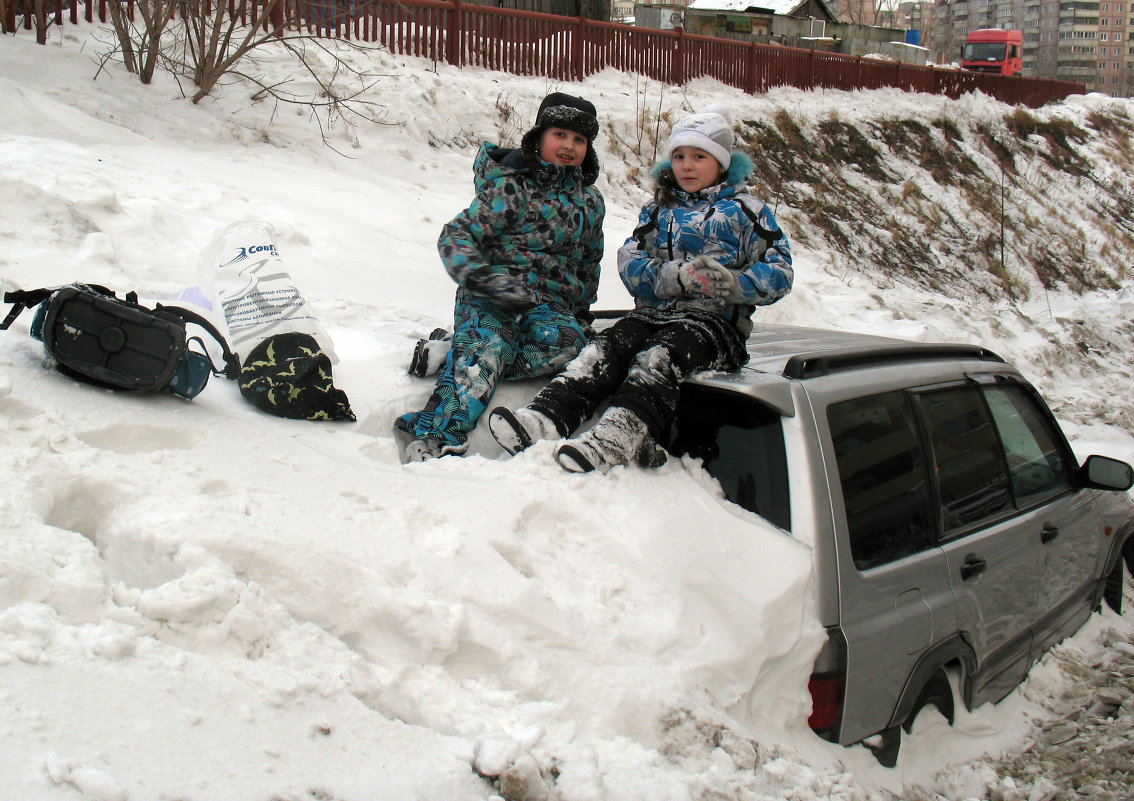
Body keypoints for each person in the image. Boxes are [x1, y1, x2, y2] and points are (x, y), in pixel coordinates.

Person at [487, 104, 793, 473]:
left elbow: (780, 272)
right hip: (651, 314)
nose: (687, 166)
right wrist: (676, 277)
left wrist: (734, 284)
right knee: (606, 348)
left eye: (700, 157)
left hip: (714, 325)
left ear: (723, 163)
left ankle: (616, 436)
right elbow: (630, 263)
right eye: (679, 156)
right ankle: (545, 417)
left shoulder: (748, 212)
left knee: (659, 356)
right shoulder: (657, 209)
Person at [395, 93, 606, 461]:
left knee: (571, 344)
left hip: (547, 305)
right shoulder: (512, 188)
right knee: (489, 345)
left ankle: (455, 354)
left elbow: (589, 259)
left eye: (580, 140)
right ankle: (436, 437)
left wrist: (582, 310)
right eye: (560, 135)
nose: (569, 147)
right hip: (489, 295)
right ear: (539, 137)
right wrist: (486, 282)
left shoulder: (590, 202)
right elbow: (456, 237)